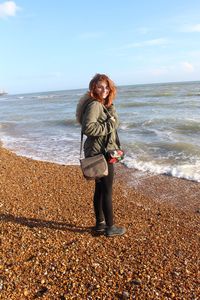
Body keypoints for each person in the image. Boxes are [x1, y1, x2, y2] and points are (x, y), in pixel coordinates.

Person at [76, 74, 126, 237]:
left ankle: (100, 224)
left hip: (98, 151)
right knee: (107, 190)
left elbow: (110, 122)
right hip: (100, 153)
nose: (104, 90)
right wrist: (109, 124)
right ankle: (110, 227)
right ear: (93, 88)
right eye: (100, 87)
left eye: (106, 86)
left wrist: (110, 110)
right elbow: (88, 128)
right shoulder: (95, 105)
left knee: (100, 189)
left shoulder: (101, 105)